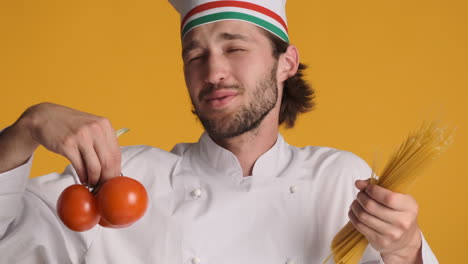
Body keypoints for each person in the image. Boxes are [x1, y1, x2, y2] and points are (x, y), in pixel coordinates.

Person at [0, 0, 438, 263]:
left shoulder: (339, 181)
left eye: (234, 47)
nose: (213, 72)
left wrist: (405, 251)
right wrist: (25, 130)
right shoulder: (120, 178)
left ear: (286, 63)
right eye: (195, 55)